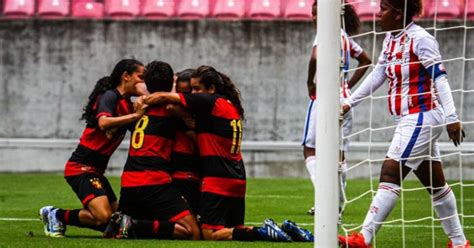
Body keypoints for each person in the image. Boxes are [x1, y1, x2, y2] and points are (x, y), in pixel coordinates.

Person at [338, 1, 470, 247]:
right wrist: (349, 102)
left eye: (384, 9)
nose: (378, 14)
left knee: (390, 170)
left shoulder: (422, 39)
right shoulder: (390, 39)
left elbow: (440, 78)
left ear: (398, 14)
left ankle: (363, 239)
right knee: (436, 183)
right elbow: (379, 73)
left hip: (422, 115)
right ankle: (460, 242)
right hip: (408, 119)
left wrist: (452, 117)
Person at [144, 65, 314, 242]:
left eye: (196, 89)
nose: (192, 94)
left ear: (211, 89)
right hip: (236, 177)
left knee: (210, 234)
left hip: (218, 179)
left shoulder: (209, 102)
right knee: (234, 230)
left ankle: (262, 232)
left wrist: (143, 101)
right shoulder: (226, 106)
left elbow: (166, 99)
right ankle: (288, 232)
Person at [39, 59, 147, 237]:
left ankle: (61, 215)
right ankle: (54, 214)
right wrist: (136, 115)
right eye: (140, 77)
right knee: (104, 217)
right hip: (80, 167)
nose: (143, 82)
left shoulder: (128, 105)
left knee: (116, 221)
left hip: (96, 171)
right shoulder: (110, 96)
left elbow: (140, 129)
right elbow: (103, 122)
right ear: (126, 76)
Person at [110, 61, 201, 240]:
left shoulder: (140, 107)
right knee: (192, 233)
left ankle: (126, 223)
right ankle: (133, 224)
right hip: (153, 181)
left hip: (129, 180)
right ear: (170, 84)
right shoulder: (170, 109)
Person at [302, 0, 371, 215]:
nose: (315, 17)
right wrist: (347, 86)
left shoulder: (326, 30)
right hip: (344, 100)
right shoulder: (344, 36)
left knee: (310, 148)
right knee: (339, 154)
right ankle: (338, 206)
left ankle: (325, 199)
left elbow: (315, 57)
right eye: (313, 13)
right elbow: (366, 61)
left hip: (324, 96)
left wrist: (310, 82)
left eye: (318, 12)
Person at [168, 69, 201, 215]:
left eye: (187, 93)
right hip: (175, 174)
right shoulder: (173, 110)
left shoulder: (202, 110)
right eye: (179, 93)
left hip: (195, 175)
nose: (182, 98)